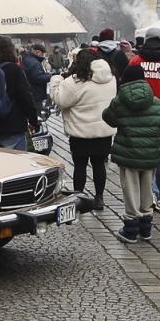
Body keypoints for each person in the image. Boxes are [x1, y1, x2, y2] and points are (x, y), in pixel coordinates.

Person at [103, 66, 160, 243]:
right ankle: (146, 228)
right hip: (150, 155)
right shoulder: (156, 102)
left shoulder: (119, 101)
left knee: (131, 190)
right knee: (147, 189)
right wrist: (152, 140)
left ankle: (131, 229)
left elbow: (108, 118)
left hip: (128, 154)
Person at [48, 46, 117, 204]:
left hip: (80, 132)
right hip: (103, 130)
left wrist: (56, 80)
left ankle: (78, 198)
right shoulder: (110, 77)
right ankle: (99, 198)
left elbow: (61, 99)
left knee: (80, 166)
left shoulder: (75, 81)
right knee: (99, 165)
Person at [129, 28, 160, 208]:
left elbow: (126, 86)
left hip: (139, 116)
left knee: (144, 156)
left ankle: (150, 190)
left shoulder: (135, 61)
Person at [20, 43, 52, 107]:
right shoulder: (34, 62)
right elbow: (37, 78)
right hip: (35, 93)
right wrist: (50, 76)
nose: (43, 56)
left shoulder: (28, 59)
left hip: (30, 92)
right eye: (42, 54)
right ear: (37, 52)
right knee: (37, 111)